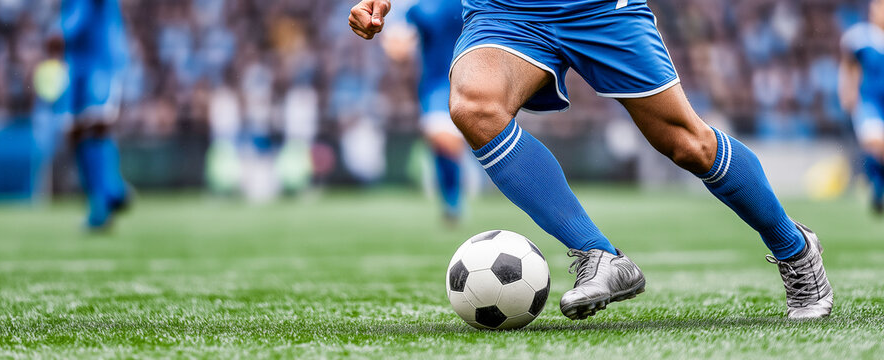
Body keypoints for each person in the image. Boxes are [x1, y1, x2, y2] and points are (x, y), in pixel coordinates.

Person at [349, 0, 832, 319]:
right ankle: (597, 253)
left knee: (688, 144)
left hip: (597, 7)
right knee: (474, 105)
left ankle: (794, 248)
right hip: (505, 11)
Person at [381, 0, 468, 224]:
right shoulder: (419, 7)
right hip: (436, 85)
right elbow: (398, 44)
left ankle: (454, 197)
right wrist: (397, 41)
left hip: (472, 79)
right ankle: (452, 200)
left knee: (446, 140)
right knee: (441, 140)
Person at [61, 0, 131, 230]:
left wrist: (63, 30)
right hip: (75, 63)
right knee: (74, 132)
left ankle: (102, 203)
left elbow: (81, 16)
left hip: (101, 60)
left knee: (95, 125)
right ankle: (111, 191)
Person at [840, 0, 884, 216]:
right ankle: (877, 184)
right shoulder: (860, 37)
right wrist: (846, 90)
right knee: (875, 143)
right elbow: (848, 65)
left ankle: (878, 186)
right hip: (870, 102)